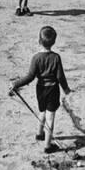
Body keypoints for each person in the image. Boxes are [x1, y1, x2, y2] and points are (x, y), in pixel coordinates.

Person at [10, 26, 71, 154]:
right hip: (52, 89)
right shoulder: (56, 57)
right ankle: (48, 146)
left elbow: (30, 77)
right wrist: (66, 89)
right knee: (50, 117)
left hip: (40, 89)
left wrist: (16, 84)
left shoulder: (36, 58)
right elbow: (60, 76)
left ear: (39, 41)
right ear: (54, 42)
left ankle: (39, 133)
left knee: (42, 111)